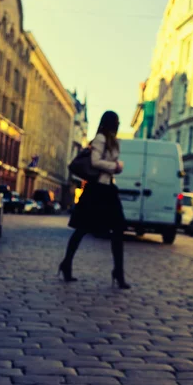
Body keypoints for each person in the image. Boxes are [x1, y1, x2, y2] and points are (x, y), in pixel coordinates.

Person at [58, 110, 130, 289]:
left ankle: (118, 272)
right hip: (96, 190)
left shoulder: (113, 141)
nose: (119, 123)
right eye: (117, 121)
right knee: (82, 229)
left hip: (108, 189)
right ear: (110, 122)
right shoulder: (100, 139)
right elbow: (95, 162)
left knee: (118, 229)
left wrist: (115, 167)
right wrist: (115, 166)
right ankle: (66, 264)